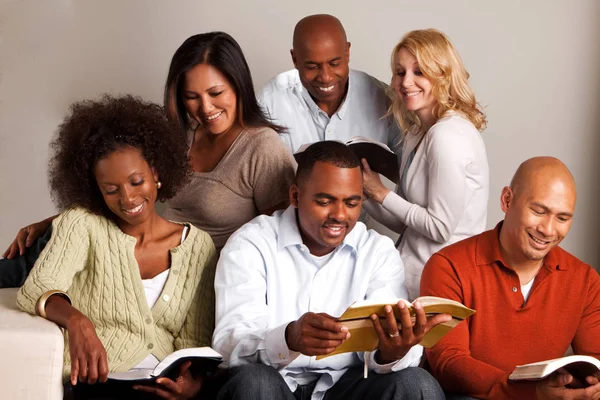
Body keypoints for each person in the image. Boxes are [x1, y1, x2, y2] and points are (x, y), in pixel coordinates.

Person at [1, 31, 295, 286]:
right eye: (192, 96)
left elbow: (280, 240)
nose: (205, 108)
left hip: (189, 276)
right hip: (132, 251)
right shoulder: (183, 136)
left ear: (239, 85)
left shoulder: (262, 148)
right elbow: (129, 194)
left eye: (216, 92)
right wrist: (52, 223)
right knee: (51, 243)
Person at [212, 141, 449, 400]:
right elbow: (227, 347)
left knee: (418, 385)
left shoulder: (377, 251)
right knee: (254, 383)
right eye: (325, 201)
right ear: (295, 196)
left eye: (351, 203)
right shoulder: (252, 243)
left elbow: (389, 351)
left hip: (348, 386)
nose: (339, 215)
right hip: (273, 383)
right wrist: (287, 338)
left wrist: (392, 351)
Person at [16, 95, 217, 400]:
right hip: (98, 383)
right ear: (96, 189)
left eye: (137, 181)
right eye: (111, 190)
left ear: (157, 174)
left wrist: (193, 385)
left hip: (160, 388)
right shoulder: (82, 224)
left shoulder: (197, 246)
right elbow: (36, 289)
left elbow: (194, 340)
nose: (127, 199)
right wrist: (77, 321)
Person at [421, 157, 600, 400]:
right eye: (538, 211)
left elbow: (595, 358)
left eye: (562, 218)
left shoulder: (585, 280)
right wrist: (529, 393)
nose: (548, 229)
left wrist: (587, 387)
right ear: (507, 200)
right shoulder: (448, 266)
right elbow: (449, 362)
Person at [362, 29, 489, 300]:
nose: (406, 82)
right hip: (412, 287)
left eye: (419, 72)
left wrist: (381, 193)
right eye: (400, 72)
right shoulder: (418, 133)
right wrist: (363, 192)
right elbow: (407, 223)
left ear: (442, 75)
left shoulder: (448, 135)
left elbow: (440, 228)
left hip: (443, 288)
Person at [258, 14, 401, 154]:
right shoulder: (269, 103)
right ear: (295, 60)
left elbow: (409, 170)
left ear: (347, 53)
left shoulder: (384, 99)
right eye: (313, 66)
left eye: (334, 64)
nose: (326, 78)